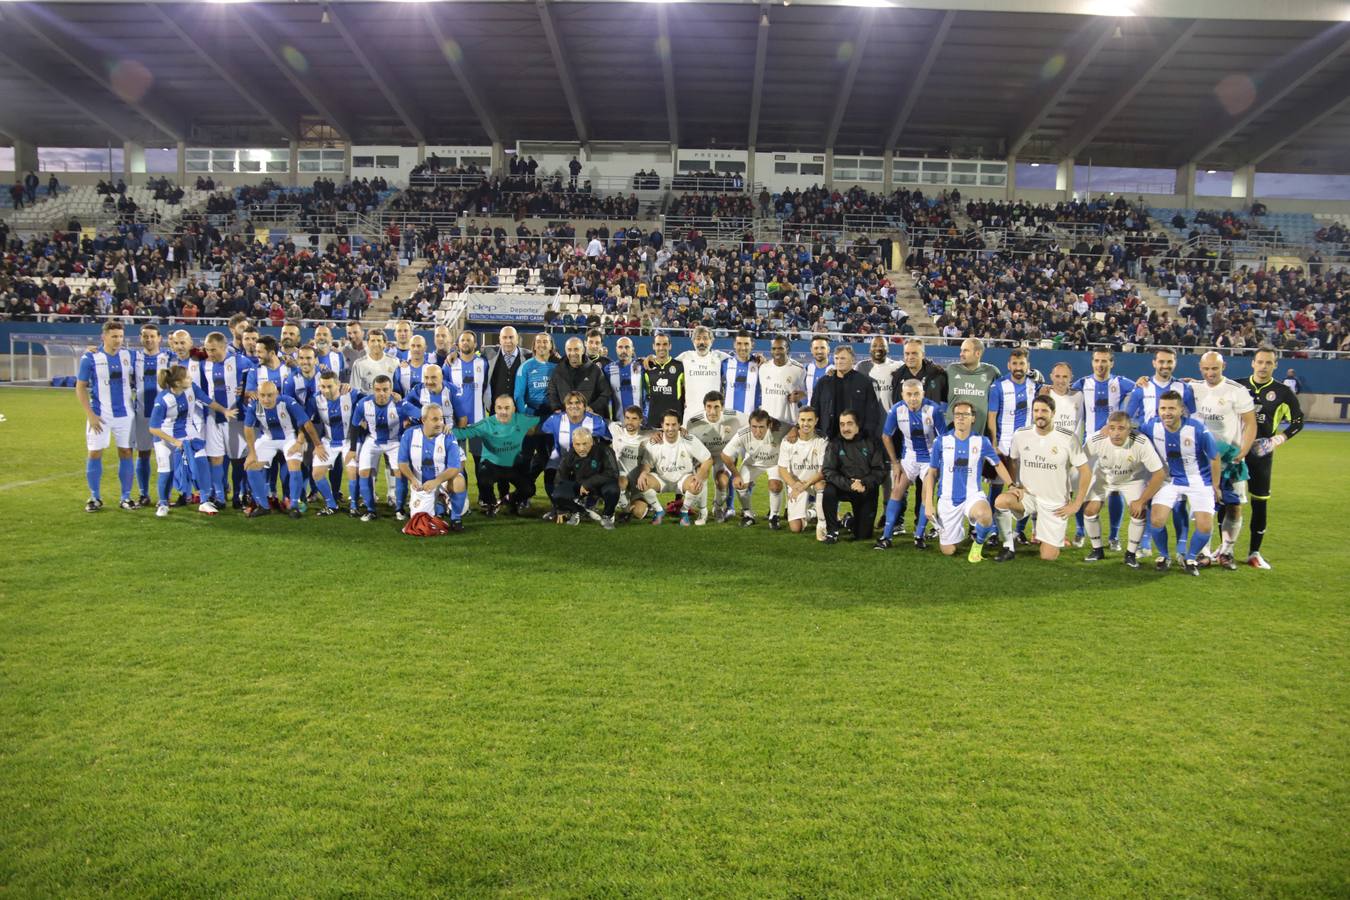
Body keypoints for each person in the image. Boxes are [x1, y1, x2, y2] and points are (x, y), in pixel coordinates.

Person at [992, 396, 1091, 562]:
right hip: (1028, 496)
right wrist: (1013, 485)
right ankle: (1008, 547)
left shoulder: (1068, 438)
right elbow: (1013, 460)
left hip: (1055, 502)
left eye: (1044, 410)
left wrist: (1076, 504)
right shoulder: (1021, 435)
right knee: (1001, 501)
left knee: (1048, 556)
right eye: (1036, 410)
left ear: (1053, 413)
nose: (1040, 414)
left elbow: (1086, 472)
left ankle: (1044, 534)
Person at [1141, 391, 1222, 576]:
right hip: (1169, 480)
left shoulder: (1198, 429)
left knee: (1205, 526)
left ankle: (1191, 557)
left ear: (1181, 410)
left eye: (1171, 408)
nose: (1166, 412)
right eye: (1163, 408)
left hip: (1198, 480)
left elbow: (1215, 457)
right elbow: (1131, 432)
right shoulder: (1151, 427)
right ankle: (1163, 555)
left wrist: (1215, 485)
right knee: (1156, 519)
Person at [923, 401, 1013, 561]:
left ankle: (977, 545)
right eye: (957, 414)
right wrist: (929, 503)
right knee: (948, 550)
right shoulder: (941, 442)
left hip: (973, 496)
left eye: (965, 414)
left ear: (973, 418)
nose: (961, 418)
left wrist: (1011, 485)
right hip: (947, 500)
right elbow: (931, 473)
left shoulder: (982, 442)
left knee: (985, 516)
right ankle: (958, 531)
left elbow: (998, 464)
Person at [1191, 351, 1257, 569]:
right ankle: (1203, 552)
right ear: (1200, 368)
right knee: (1204, 507)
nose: (1210, 373)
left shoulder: (1237, 391)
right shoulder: (1194, 388)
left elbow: (1250, 423)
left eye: (1215, 368)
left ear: (1223, 366)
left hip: (1231, 458)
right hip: (1202, 462)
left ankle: (1227, 552)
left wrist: (1243, 451)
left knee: (1234, 506)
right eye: (1206, 369)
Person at [1241, 346, 1304, 570]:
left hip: (1261, 456)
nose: (1263, 366)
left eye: (1268, 363)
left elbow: (1298, 422)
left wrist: (1276, 440)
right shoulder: (1237, 386)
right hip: (1236, 454)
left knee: (1260, 503)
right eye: (1260, 362)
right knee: (1228, 502)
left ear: (1275, 365)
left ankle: (1254, 553)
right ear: (1253, 363)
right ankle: (1225, 551)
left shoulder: (1283, 392)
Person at [1081, 411, 1167, 567]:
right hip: (1104, 478)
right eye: (1112, 428)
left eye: (1121, 428)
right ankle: (1097, 550)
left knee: (1138, 512)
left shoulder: (1141, 442)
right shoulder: (1098, 439)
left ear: (1130, 429)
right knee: (1089, 510)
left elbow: (1159, 474)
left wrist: (1141, 500)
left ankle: (1130, 554)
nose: (1115, 433)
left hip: (1133, 480)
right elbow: (1078, 460)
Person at [147, 365, 235, 518]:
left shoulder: (192, 388)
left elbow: (208, 401)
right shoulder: (162, 400)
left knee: (201, 463)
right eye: (187, 377)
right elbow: (153, 428)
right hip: (165, 437)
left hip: (188, 431)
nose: (191, 379)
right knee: (166, 471)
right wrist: (175, 442)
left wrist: (224, 411)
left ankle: (204, 500)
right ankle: (163, 503)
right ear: (177, 383)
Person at [1073, 348, 1136, 550]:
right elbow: (1064, 392)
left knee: (1115, 491)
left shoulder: (1121, 383)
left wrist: (1143, 381)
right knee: (1082, 490)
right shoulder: (1083, 383)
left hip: (1114, 446)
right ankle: (1080, 531)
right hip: (1089, 447)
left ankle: (1114, 536)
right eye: (1097, 361)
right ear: (1092, 363)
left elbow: (1142, 392)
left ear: (1112, 363)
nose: (1100, 365)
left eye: (1105, 361)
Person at [77, 320, 138, 512]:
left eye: (120, 336)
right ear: (103, 337)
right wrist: (90, 415)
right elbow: (80, 387)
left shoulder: (131, 356)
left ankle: (126, 497)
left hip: (125, 415)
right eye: (114, 336)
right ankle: (94, 497)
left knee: (126, 452)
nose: (118, 340)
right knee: (95, 452)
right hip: (100, 415)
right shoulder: (90, 358)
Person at [877, 379, 945, 549]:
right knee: (897, 490)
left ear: (923, 394)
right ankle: (886, 536)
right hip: (909, 457)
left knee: (926, 494)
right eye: (909, 394)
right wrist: (895, 462)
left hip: (930, 457)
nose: (913, 398)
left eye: (916, 394)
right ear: (903, 395)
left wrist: (936, 464)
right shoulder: (896, 410)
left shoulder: (934, 410)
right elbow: (886, 436)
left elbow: (944, 439)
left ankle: (919, 536)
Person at [242, 381, 325, 520]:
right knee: (250, 466)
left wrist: (315, 444)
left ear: (277, 394)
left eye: (269, 395)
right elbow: (248, 428)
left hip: (289, 437)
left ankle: (294, 506)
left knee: (294, 465)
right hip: (267, 439)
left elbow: (306, 423)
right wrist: (251, 453)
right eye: (262, 395)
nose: (266, 399)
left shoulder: (287, 402)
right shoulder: (254, 405)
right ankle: (263, 506)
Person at [456, 394, 540, 514]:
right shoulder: (486, 424)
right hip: (492, 465)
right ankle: (491, 504)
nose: (503, 412)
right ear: (494, 409)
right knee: (483, 479)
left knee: (529, 489)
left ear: (514, 409)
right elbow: (463, 432)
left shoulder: (521, 420)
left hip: (513, 466)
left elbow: (540, 425)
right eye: (499, 408)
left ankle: (509, 500)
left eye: (507, 408)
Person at [198, 331, 255, 509]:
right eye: (207, 349)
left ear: (224, 347)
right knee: (215, 458)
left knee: (238, 459)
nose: (210, 353)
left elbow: (252, 385)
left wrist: (246, 390)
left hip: (237, 418)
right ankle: (220, 497)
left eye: (213, 350)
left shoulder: (242, 362)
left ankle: (239, 493)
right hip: (213, 418)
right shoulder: (204, 365)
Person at [540, 391, 611, 519]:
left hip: (586, 461)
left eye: (578, 403)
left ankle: (588, 504)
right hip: (561, 459)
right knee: (550, 474)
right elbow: (542, 431)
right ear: (565, 406)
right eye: (570, 403)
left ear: (584, 405)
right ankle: (557, 507)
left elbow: (607, 440)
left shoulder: (595, 420)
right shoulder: (556, 420)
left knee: (594, 473)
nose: (574, 406)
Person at [397, 403, 467, 530]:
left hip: (442, 482)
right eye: (435, 419)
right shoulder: (409, 435)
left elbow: (455, 467)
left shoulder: (448, 437)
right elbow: (402, 463)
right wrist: (412, 479)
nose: (439, 423)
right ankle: (440, 505)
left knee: (459, 481)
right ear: (423, 420)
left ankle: (455, 518)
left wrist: (437, 481)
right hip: (421, 484)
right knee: (420, 522)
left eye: (441, 419)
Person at [820, 410, 886, 544]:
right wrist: (849, 484)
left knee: (863, 535)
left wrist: (864, 483)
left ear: (858, 425)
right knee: (828, 491)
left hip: (865, 490)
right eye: (842, 424)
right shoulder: (835, 444)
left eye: (849, 424)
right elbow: (828, 470)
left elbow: (880, 471)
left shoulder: (872, 442)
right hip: (844, 487)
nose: (845, 428)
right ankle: (832, 531)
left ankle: (848, 521)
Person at [636, 410, 713, 526]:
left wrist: (698, 476)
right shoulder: (654, 442)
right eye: (667, 425)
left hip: (683, 479)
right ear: (662, 425)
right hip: (661, 480)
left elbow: (708, 459)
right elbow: (647, 464)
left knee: (696, 485)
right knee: (642, 481)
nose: (670, 428)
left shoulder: (688, 439)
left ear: (679, 425)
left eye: (673, 424)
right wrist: (643, 474)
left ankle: (684, 512)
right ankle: (659, 511)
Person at [350, 375, 407, 522]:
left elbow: (418, 416)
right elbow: (355, 425)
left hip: (394, 442)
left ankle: (400, 509)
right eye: (378, 390)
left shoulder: (400, 404)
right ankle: (370, 510)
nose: (381, 393)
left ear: (391, 390)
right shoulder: (364, 404)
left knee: (401, 472)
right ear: (372, 390)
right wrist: (352, 449)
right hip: (373, 441)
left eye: (385, 389)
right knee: (363, 472)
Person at [687, 391, 746, 522]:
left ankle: (718, 507)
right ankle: (702, 511)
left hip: (722, 456)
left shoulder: (735, 417)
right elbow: (687, 443)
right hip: (703, 456)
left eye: (716, 407)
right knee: (700, 480)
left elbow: (756, 421)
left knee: (723, 482)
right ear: (704, 407)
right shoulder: (693, 421)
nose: (712, 411)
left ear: (722, 407)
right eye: (709, 406)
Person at [719, 410, 782, 527]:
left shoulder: (779, 430)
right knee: (739, 484)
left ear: (769, 425)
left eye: (762, 427)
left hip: (774, 463)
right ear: (749, 425)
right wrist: (736, 475)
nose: (758, 431)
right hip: (752, 464)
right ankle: (748, 515)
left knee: (775, 485)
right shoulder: (743, 434)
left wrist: (794, 430)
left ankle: (774, 516)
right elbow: (725, 455)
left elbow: (793, 428)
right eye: (754, 427)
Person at [131, 324, 171, 507]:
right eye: (145, 336)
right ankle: (143, 494)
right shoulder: (133, 357)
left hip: (165, 415)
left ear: (159, 338)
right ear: (141, 338)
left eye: (152, 336)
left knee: (167, 455)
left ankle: (166, 496)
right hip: (141, 413)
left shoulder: (168, 357)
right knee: (143, 453)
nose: (148, 339)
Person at [553, 428, 621, 529]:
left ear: (592, 442)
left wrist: (587, 484)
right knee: (558, 494)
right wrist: (560, 508)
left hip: (601, 485)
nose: (581, 448)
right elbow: (559, 479)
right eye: (578, 444)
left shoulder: (605, 450)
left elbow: (613, 473)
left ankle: (607, 515)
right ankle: (578, 511)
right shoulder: (570, 454)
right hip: (580, 487)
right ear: (573, 443)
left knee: (613, 490)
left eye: (585, 444)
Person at [777, 406, 828, 535]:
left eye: (810, 420)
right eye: (803, 420)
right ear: (798, 421)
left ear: (816, 421)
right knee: (796, 528)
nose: (806, 424)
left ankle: (822, 524)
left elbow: (823, 470)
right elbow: (782, 469)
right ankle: (813, 512)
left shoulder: (822, 440)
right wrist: (794, 485)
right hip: (797, 484)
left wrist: (807, 484)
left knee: (821, 484)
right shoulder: (788, 441)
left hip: (814, 481)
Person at [311, 370, 355, 516]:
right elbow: (306, 422)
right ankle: (331, 504)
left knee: (353, 472)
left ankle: (354, 506)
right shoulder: (316, 399)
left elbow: (372, 402)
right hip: (328, 442)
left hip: (348, 441)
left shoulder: (352, 395)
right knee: (317, 473)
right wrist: (317, 445)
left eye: (329, 386)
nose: (326, 390)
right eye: (323, 387)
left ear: (338, 384)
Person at [811, 346, 880, 439]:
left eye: (843, 358)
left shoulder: (864, 383)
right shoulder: (823, 383)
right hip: (828, 438)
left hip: (856, 439)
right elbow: (814, 409)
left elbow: (872, 413)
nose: (839, 361)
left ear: (852, 360)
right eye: (836, 358)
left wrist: (865, 436)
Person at [945, 338, 1001, 438]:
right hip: (952, 432)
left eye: (965, 351)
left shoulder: (991, 372)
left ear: (977, 353)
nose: (961, 354)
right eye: (961, 350)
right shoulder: (951, 370)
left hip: (980, 434)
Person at [675, 326, 728, 425]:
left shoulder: (719, 357)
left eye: (705, 338)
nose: (702, 342)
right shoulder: (685, 357)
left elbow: (740, 360)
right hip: (690, 416)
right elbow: (665, 363)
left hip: (714, 416)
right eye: (698, 338)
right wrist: (651, 357)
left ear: (712, 340)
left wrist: (756, 358)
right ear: (693, 341)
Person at [547, 337, 611, 416]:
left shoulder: (595, 370)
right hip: (565, 418)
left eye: (576, 349)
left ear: (583, 350)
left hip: (588, 419)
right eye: (569, 350)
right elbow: (551, 392)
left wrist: (593, 407)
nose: (573, 353)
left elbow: (605, 393)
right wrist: (556, 408)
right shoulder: (558, 370)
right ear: (566, 351)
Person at [759, 335, 806, 432]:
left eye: (780, 348)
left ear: (787, 349)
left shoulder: (799, 369)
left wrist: (802, 396)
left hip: (788, 424)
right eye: (774, 348)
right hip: (767, 424)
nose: (776, 351)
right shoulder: (763, 368)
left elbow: (805, 394)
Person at [609, 405, 649, 519]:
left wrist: (681, 429)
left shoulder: (648, 434)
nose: (629, 422)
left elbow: (668, 431)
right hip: (622, 478)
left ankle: (640, 503)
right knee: (621, 481)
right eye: (627, 418)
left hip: (638, 483)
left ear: (641, 420)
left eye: (634, 418)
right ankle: (625, 507)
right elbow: (601, 420)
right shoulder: (616, 428)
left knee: (638, 513)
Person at [642, 332, 685, 428]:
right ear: (653, 346)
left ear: (670, 346)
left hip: (675, 421)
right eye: (658, 344)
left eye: (665, 344)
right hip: (653, 419)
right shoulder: (646, 367)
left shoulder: (680, 366)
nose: (661, 348)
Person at [857, 335, 902, 417]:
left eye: (882, 345)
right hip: (869, 421)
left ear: (888, 349)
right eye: (874, 346)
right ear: (870, 349)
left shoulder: (898, 366)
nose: (878, 348)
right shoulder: (861, 367)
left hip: (891, 420)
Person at [719, 331, 762, 418]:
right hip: (729, 417)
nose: (743, 347)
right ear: (734, 344)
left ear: (752, 345)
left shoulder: (760, 364)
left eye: (746, 344)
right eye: (739, 343)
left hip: (752, 419)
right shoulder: (725, 363)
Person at [604, 336, 644, 420]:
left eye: (627, 347)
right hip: (618, 424)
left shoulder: (642, 366)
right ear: (616, 349)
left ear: (632, 349)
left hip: (640, 423)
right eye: (620, 347)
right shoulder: (608, 369)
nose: (623, 350)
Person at [485, 326, 524, 408]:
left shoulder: (528, 356)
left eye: (511, 337)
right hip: (495, 410)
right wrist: (454, 353)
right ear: (500, 339)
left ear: (517, 339)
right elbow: (468, 352)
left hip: (519, 410)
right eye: (504, 337)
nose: (508, 341)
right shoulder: (488, 353)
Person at [803, 335, 833, 405]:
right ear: (811, 350)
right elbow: (804, 392)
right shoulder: (807, 368)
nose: (819, 351)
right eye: (816, 348)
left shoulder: (836, 370)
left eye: (822, 348)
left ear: (828, 349)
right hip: (811, 412)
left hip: (829, 414)